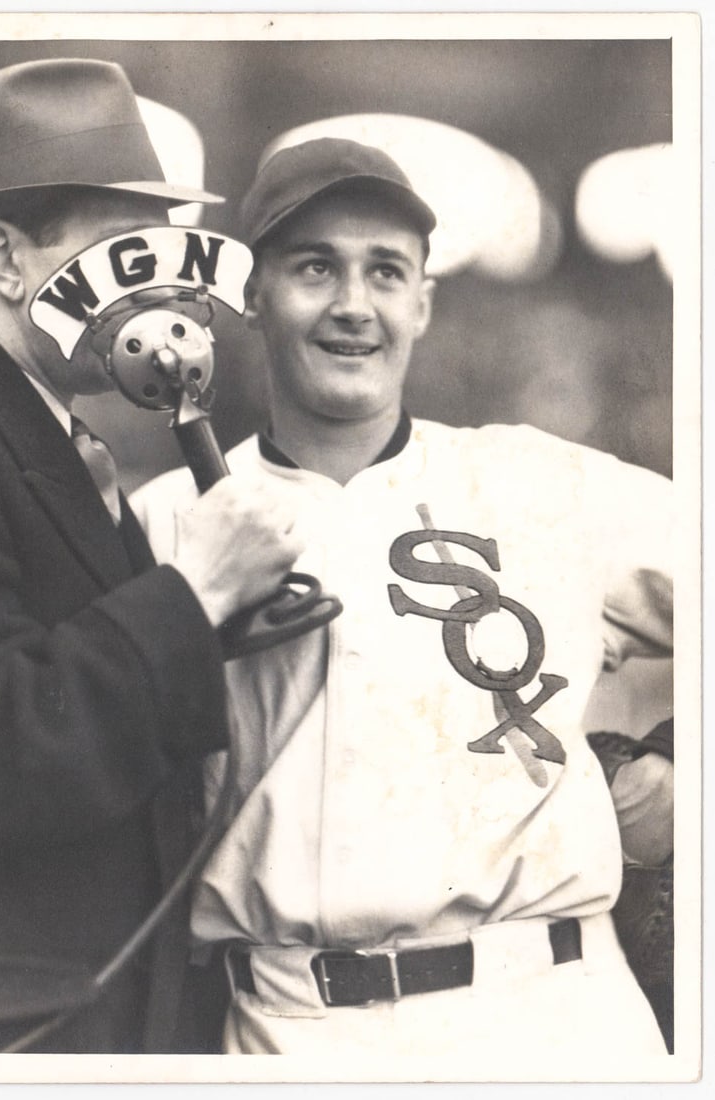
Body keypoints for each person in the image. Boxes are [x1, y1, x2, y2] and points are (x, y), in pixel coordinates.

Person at [132, 136, 675, 1062]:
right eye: (314, 267)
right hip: (287, 1025)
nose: (352, 305)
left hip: (553, 1011)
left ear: (421, 302)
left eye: (385, 271)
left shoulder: (541, 483)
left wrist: (674, 763)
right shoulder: (164, 523)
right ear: (251, 297)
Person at [0, 58, 303, 1054]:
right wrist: (194, 593)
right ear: (7, 259)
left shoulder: (49, 437)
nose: (154, 285)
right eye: (121, 248)